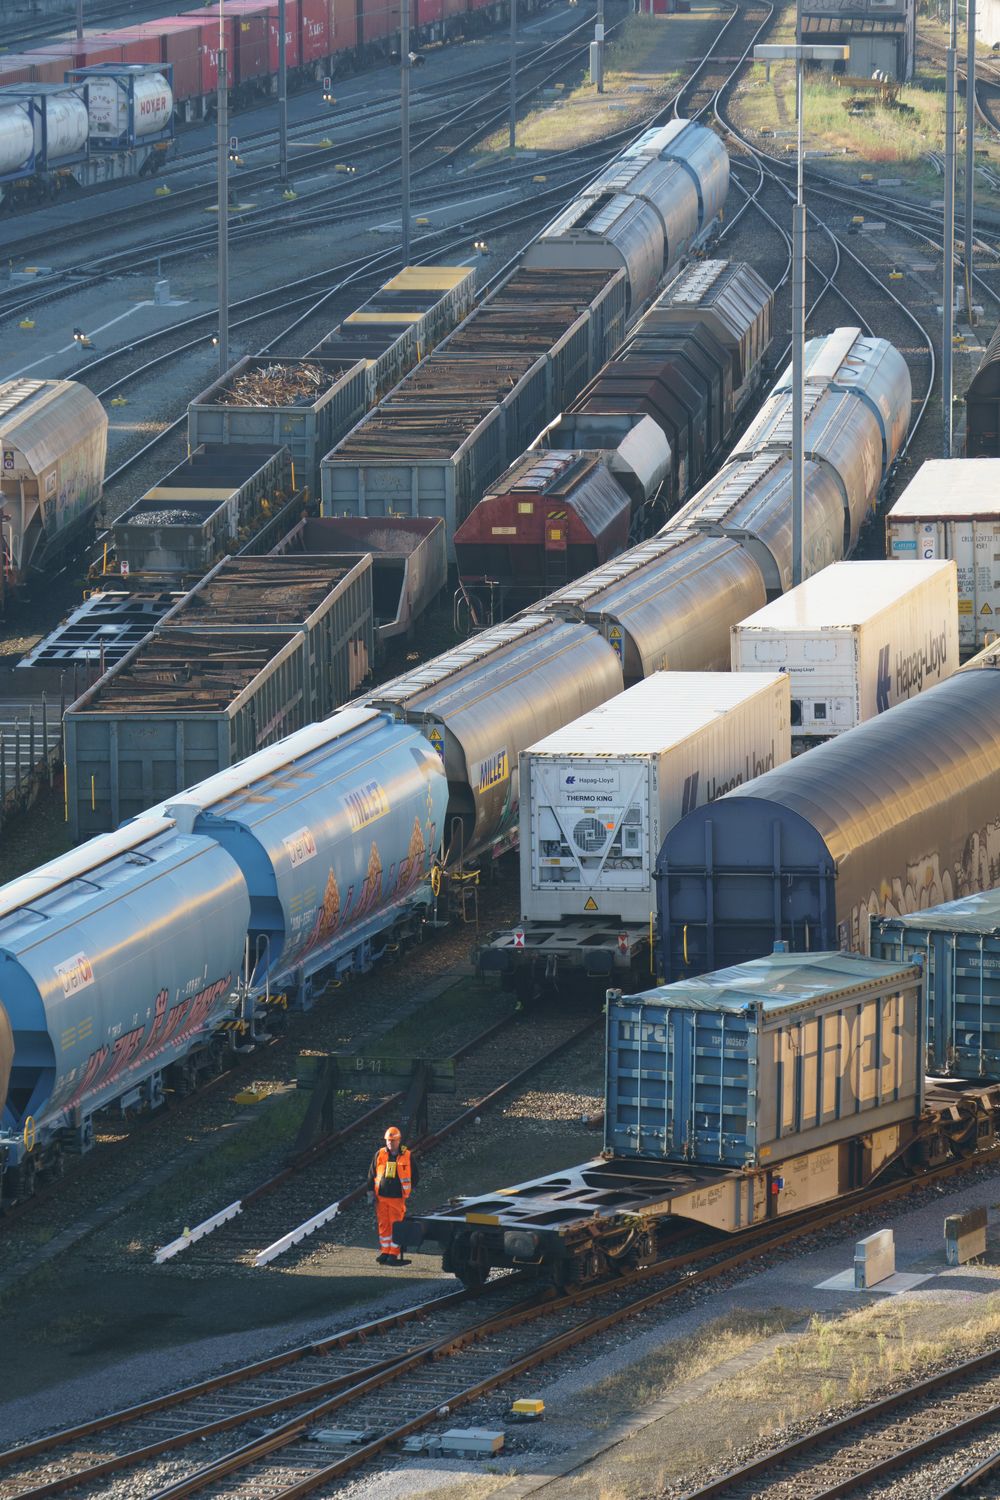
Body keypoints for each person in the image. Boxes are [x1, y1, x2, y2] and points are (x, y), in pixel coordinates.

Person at [367, 1125, 417, 1265]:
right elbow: (372, 1174)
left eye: (393, 1140)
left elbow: (415, 1176)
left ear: (398, 1141)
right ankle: (385, 1252)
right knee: (384, 1225)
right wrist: (370, 1192)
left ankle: (393, 1254)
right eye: (388, 1140)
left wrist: (407, 1190)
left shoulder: (406, 1155)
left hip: (396, 1198)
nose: (390, 1143)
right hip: (381, 1198)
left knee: (395, 1225)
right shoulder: (380, 1154)